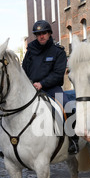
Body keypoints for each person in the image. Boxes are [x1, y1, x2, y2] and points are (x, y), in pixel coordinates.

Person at [22, 20, 79, 155]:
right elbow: (24, 70)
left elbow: (58, 74)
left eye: (44, 33)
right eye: (38, 34)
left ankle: (73, 140)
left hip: (52, 88)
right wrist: (29, 84)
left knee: (67, 106)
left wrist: (42, 84)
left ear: (49, 34)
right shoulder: (30, 51)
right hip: (32, 89)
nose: (41, 36)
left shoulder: (58, 51)